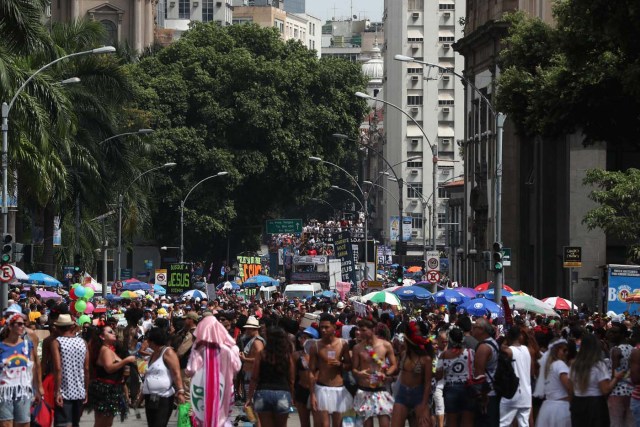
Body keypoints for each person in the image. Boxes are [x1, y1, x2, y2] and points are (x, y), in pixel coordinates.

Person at [570, 332, 625, 427]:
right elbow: (605, 389)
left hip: (577, 402)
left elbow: (570, 387)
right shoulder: (598, 365)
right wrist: (616, 378)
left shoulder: (574, 364)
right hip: (595, 405)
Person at [86, 325, 136, 426]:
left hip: (112, 389)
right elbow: (109, 368)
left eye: (113, 331)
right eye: (110, 332)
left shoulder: (109, 350)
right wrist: (126, 360)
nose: (114, 333)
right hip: (106, 390)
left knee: (107, 422)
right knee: (103, 422)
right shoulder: (105, 350)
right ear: (102, 337)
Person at [308, 313, 353, 427]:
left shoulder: (343, 344)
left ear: (334, 327)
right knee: (324, 424)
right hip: (321, 388)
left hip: (338, 389)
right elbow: (311, 371)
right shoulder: (316, 346)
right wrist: (312, 394)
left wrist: (340, 364)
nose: (323, 330)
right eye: (321, 327)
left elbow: (349, 365)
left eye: (326, 327)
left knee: (338, 424)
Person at [245, 327, 295, 427]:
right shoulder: (286, 356)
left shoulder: (261, 354)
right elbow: (291, 379)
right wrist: (292, 396)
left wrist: (249, 398)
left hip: (263, 392)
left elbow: (254, 378)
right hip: (282, 393)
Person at [352, 318, 397, 427]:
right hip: (364, 390)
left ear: (373, 329)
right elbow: (354, 369)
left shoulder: (385, 345)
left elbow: (394, 364)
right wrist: (359, 373)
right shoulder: (357, 348)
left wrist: (385, 374)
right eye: (359, 330)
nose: (359, 332)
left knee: (385, 423)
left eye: (363, 330)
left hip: (380, 390)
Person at [0, 312, 42, 426]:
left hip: (23, 391)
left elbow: (33, 367)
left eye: (23, 324)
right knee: (5, 424)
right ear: (10, 326)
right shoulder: (1, 347)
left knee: (24, 424)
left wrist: (38, 389)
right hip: (4, 392)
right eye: (18, 324)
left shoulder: (28, 345)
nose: (22, 326)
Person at [140, 327, 185, 427]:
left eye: (148, 339)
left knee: (159, 425)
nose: (146, 342)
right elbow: (149, 376)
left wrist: (180, 391)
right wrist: (141, 397)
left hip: (163, 397)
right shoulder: (153, 354)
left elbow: (176, 373)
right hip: (150, 397)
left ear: (153, 340)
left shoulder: (168, 352)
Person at [391, 321, 433, 427]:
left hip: (419, 396)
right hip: (402, 395)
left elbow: (428, 384)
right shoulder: (403, 354)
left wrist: (424, 406)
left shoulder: (426, 359)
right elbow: (397, 371)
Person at [51, 314, 89, 427]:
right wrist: (86, 390)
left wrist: (57, 391)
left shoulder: (57, 342)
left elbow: (58, 368)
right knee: (75, 423)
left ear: (58, 328)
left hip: (64, 390)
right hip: (80, 390)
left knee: (63, 423)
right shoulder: (82, 342)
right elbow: (86, 369)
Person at [436, 327, 475, 427]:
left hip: (451, 389)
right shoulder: (470, 352)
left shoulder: (444, 355)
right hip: (467, 387)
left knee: (451, 421)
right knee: (467, 420)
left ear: (450, 340)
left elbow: (438, 376)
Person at [499, 326, 532, 427]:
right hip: (526, 395)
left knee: (503, 423)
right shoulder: (527, 350)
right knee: (524, 424)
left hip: (513, 394)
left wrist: (504, 342)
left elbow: (501, 349)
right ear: (520, 337)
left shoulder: (509, 351)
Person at [535, 339, 571, 427]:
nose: (566, 353)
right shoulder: (559, 364)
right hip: (560, 409)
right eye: (564, 350)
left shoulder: (548, 366)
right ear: (556, 350)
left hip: (547, 408)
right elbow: (570, 387)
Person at [472, 317, 500, 427]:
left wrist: (481, 397)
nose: (472, 329)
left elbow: (479, 376)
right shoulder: (493, 342)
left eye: (474, 327)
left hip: (487, 395)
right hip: (493, 391)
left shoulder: (483, 347)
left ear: (482, 329)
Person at [607, 323, 635, 427]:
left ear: (622, 334)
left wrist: (607, 390)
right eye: (611, 332)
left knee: (616, 423)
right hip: (631, 391)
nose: (611, 334)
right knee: (629, 423)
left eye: (615, 332)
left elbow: (615, 374)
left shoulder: (616, 350)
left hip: (617, 391)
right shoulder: (633, 349)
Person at [293, 327, 318, 427]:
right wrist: (292, 392)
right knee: (304, 423)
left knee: (318, 422)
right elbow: (293, 376)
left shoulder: (319, 355)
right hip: (302, 389)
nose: (302, 340)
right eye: (301, 337)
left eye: (305, 337)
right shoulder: (296, 355)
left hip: (317, 391)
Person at [240, 316, 265, 403]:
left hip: (252, 375)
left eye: (249, 329)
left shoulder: (257, 342)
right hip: (249, 374)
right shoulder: (253, 340)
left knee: (252, 402)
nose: (247, 331)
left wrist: (245, 359)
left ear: (254, 329)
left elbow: (261, 358)